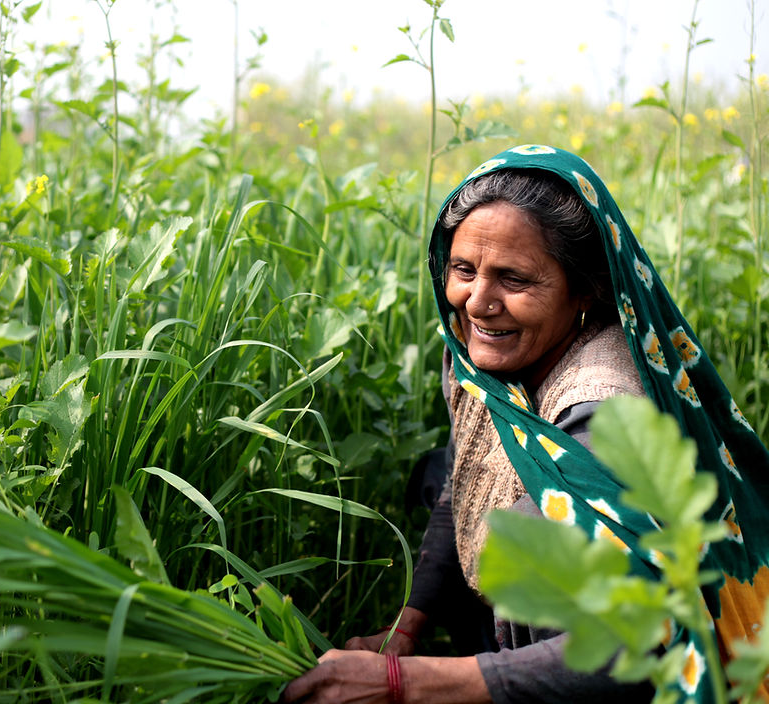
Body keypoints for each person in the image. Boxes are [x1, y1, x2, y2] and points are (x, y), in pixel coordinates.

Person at [282, 145, 769, 704]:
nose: (478, 302)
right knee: (438, 471)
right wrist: (407, 629)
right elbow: (463, 481)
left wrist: (403, 685)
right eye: (463, 270)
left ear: (585, 290)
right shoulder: (486, 353)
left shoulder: (603, 411)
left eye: (513, 279)